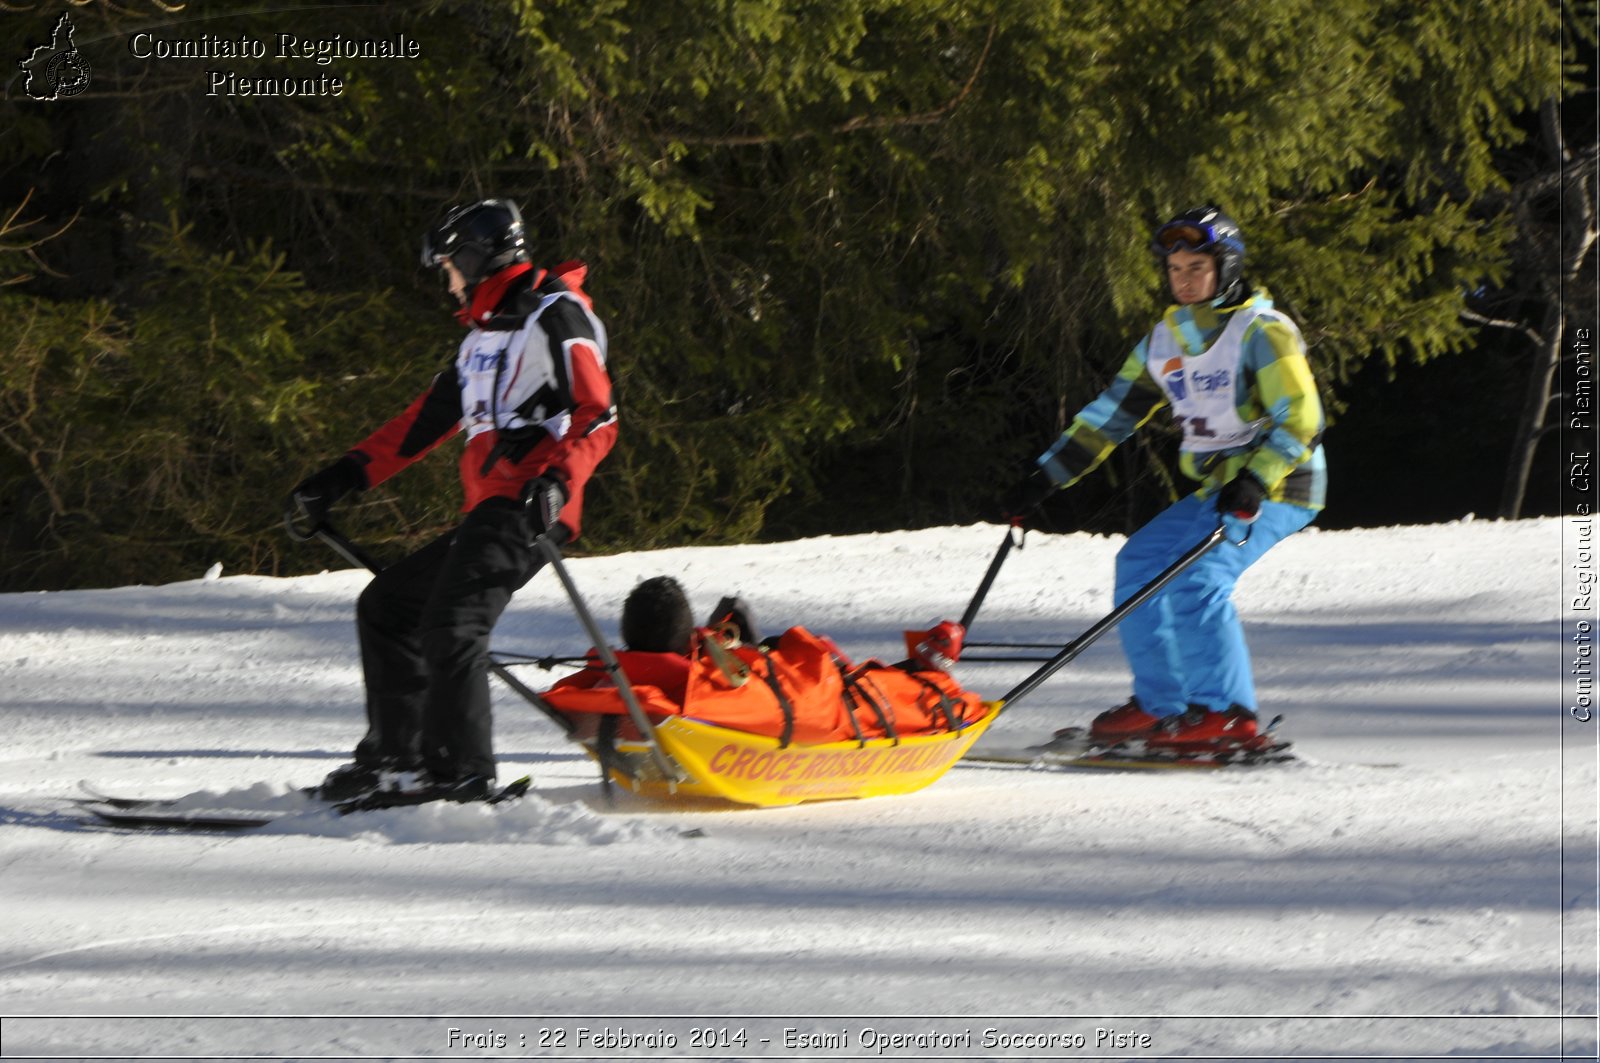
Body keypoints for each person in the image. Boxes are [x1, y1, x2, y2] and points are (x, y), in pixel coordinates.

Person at [290, 198, 618, 801]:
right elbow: (422, 423)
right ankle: (396, 759)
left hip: (530, 506)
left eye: (449, 266)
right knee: (389, 606)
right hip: (488, 509)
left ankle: (459, 773)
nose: (447, 282)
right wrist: (341, 477)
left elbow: (599, 416)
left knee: (453, 623)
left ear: (474, 257)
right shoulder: (480, 338)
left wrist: (556, 483)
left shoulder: (555, 314)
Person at [1004, 205, 1325, 752]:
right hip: (1216, 490)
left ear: (1226, 267)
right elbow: (1114, 414)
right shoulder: (1166, 340)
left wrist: (1256, 479)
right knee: (1140, 563)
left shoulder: (1261, 333)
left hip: (1278, 485)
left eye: (1197, 267)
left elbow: (1301, 417)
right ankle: (1164, 707)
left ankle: (1228, 716)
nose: (1185, 279)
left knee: (1199, 581)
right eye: (1175, 269)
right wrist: (1047, 475)